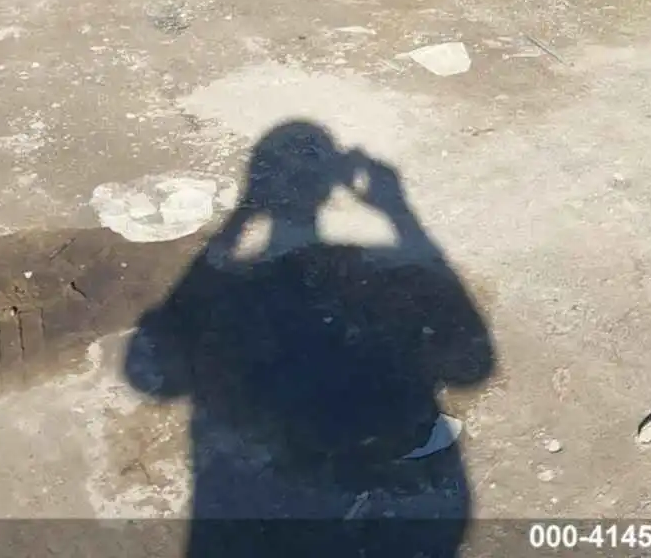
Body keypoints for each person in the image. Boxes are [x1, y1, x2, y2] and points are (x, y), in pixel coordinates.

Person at [127, 122, 492, 556]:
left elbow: (151, 374)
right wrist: (398, 213)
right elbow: (471, 364)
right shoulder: (363, 272)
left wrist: (244, 213)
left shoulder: (242, 292)